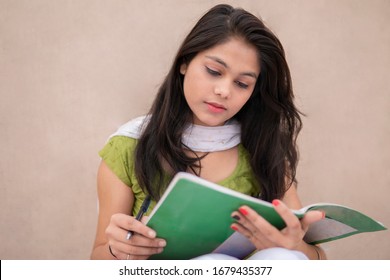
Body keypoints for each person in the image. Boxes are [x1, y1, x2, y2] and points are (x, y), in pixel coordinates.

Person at [90, 4, 326, 260]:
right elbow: (98, 258)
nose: (224, 90)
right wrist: (119, 249)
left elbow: (316, 260)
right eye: (214, 71)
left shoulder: (262, 150)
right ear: (184, 63)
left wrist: (294, 246)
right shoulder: (130, 147)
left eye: (242, 83)